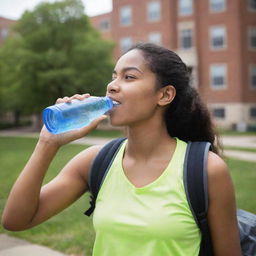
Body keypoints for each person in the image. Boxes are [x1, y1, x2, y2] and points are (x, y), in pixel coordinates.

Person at [2, 43, 241, 255]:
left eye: (129, 77)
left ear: (165, 95)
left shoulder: (206, 170)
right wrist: (47, 143)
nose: (112, 86)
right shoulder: (95, 161)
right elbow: (16, 220)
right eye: (114, 76)